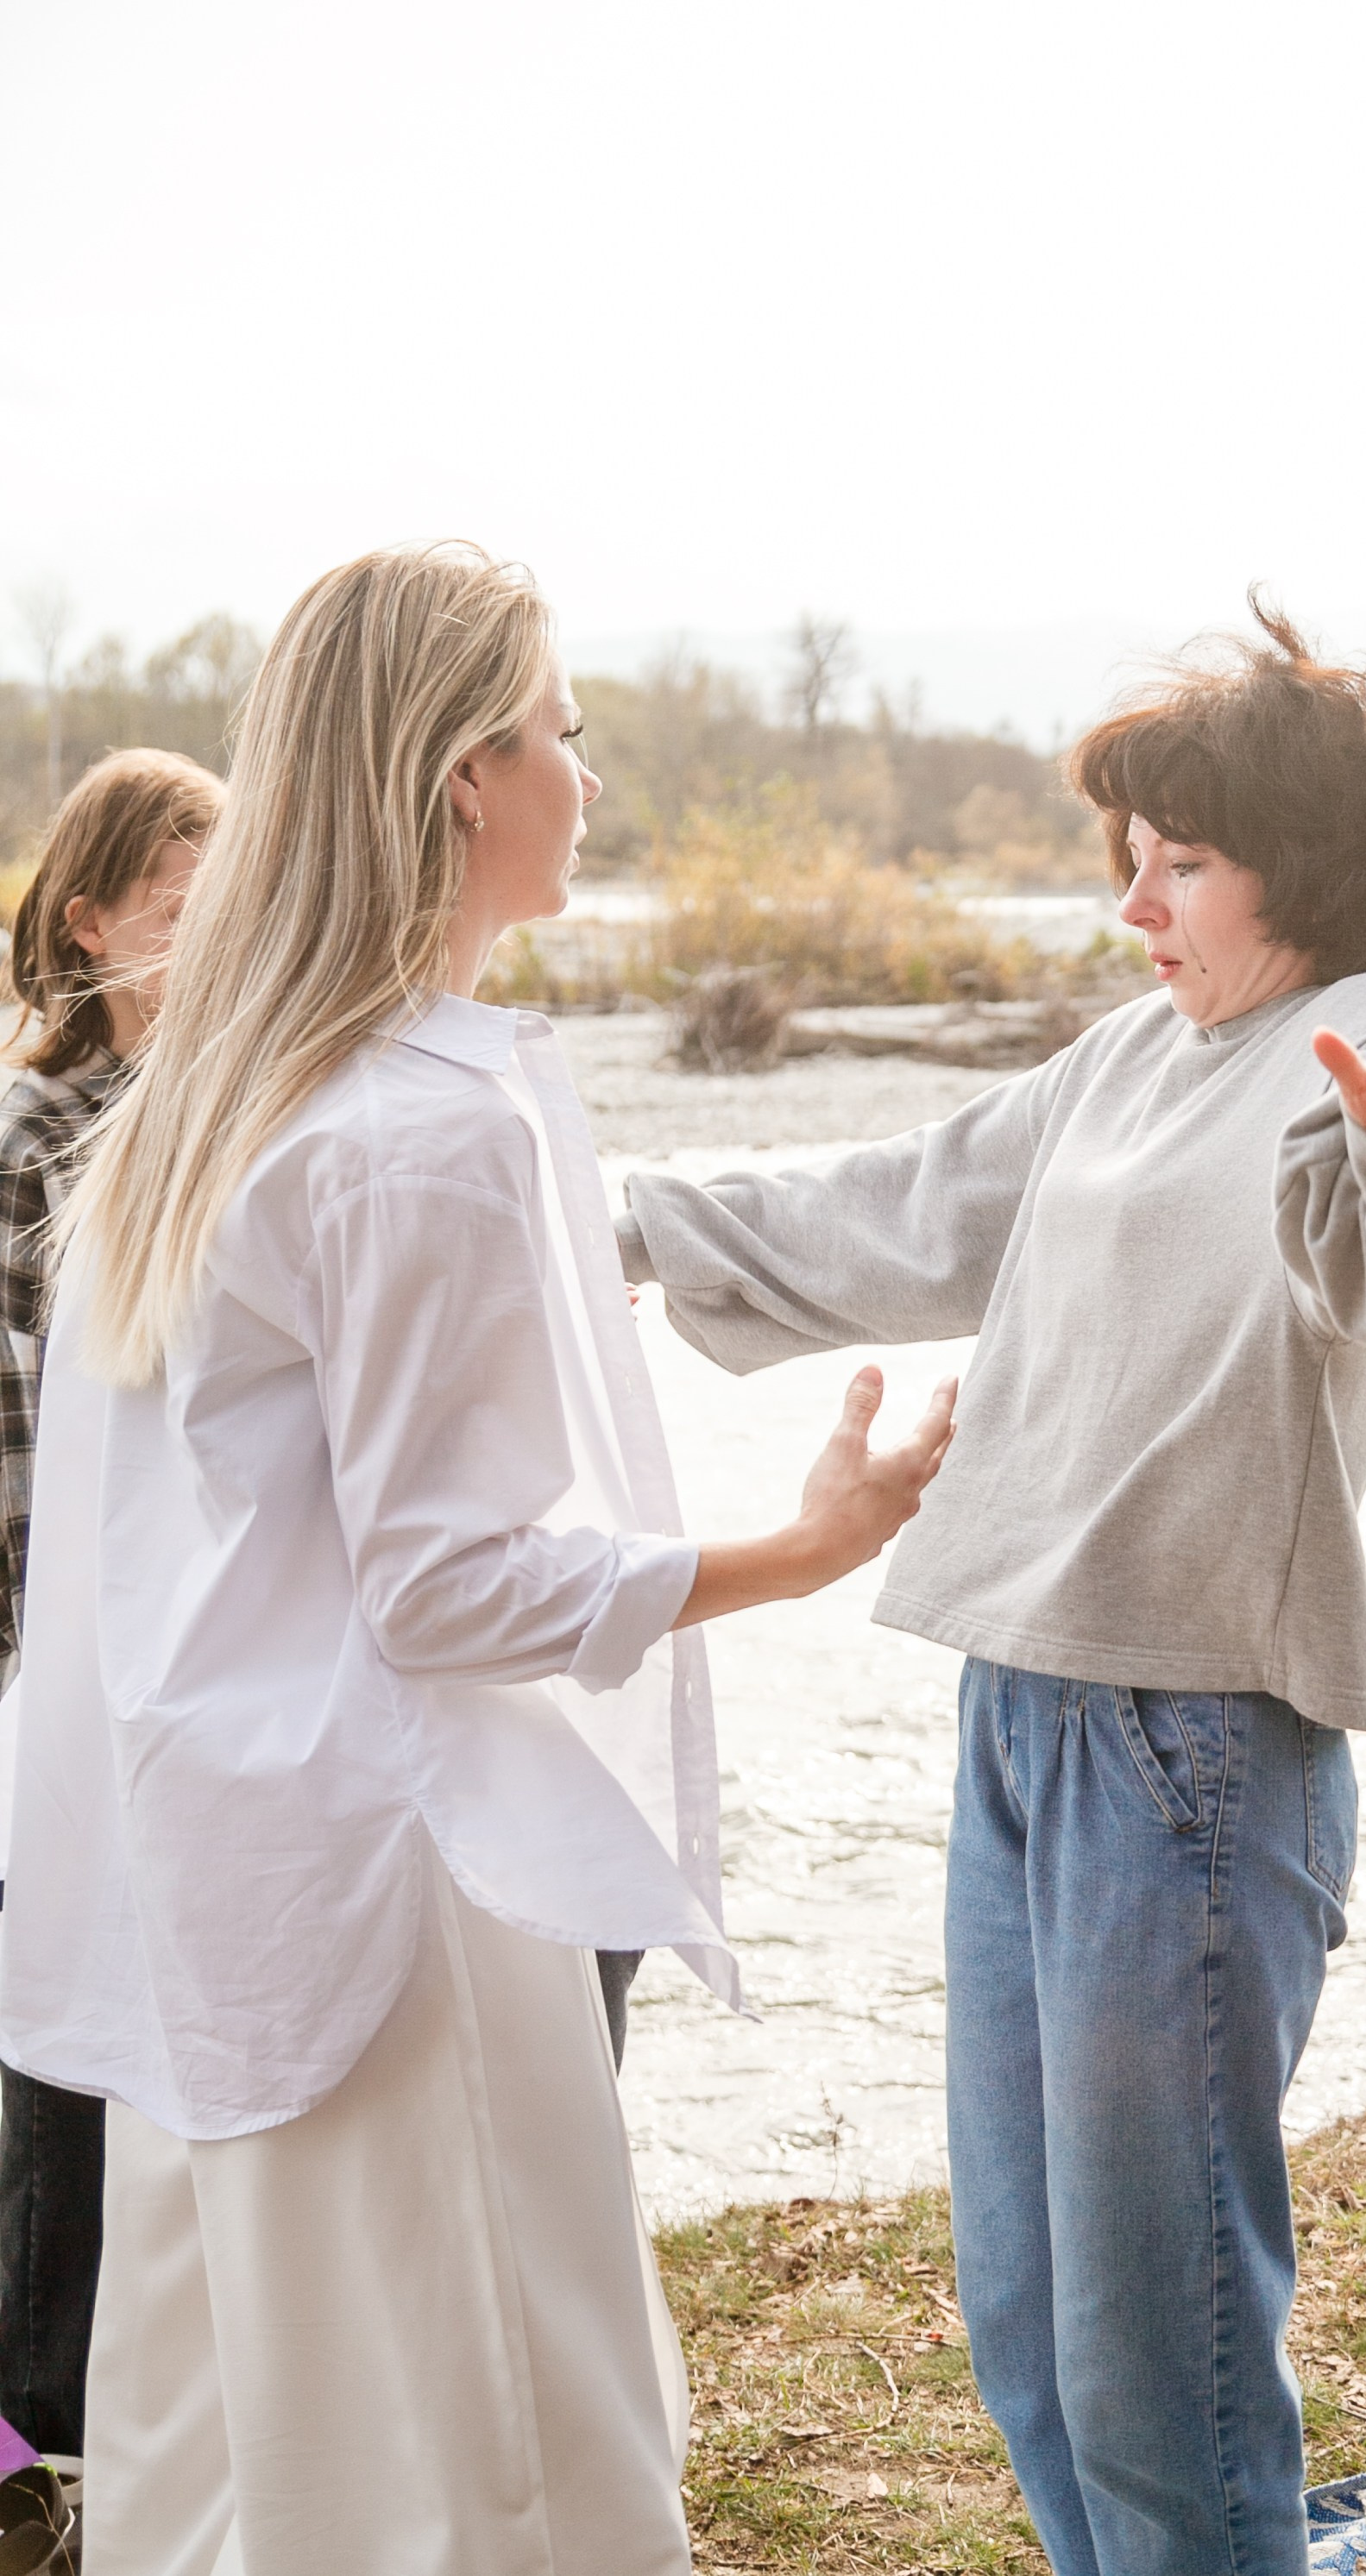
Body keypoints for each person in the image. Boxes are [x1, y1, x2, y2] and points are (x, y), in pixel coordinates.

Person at [0, 542, 955, 2576]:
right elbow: (441, 1591)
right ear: (461, 777)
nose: (586, 780)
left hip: (215, 1873)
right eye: (563, 732)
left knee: (240, 2435)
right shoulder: (413, 1122)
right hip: (394, 1882)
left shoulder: (198, 1102)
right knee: (499, 2446)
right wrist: (797, 1546)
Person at [614, 603, 1366, 2576]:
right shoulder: (1135, 1054)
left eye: (1180, 861)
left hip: (1192, 1742)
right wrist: (595, 1226)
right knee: (1031, 2324)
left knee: (1156, 2352)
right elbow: (896, 1204)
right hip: (1020, 1703)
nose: (1133, 905)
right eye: (1130, 857)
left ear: (1304, 863)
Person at [0, 749, 220, 2460]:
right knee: (51, 2070)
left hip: (175, 1673)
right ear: (90, 924)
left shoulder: (225, 1118)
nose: (220, 929)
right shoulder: (37, 1141)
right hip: (47, 1670)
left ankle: (126, 2421)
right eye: (180, 901)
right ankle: (38, 2447)